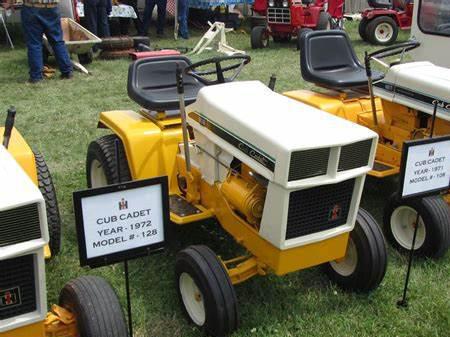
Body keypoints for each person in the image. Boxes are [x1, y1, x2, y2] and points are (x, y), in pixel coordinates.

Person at [2, 0, 73, 83]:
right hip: (52, 8)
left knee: (34, 44)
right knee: (57, 41)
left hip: (32, 7)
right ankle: (67, 72)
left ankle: (36, 77)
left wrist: (10, 3)